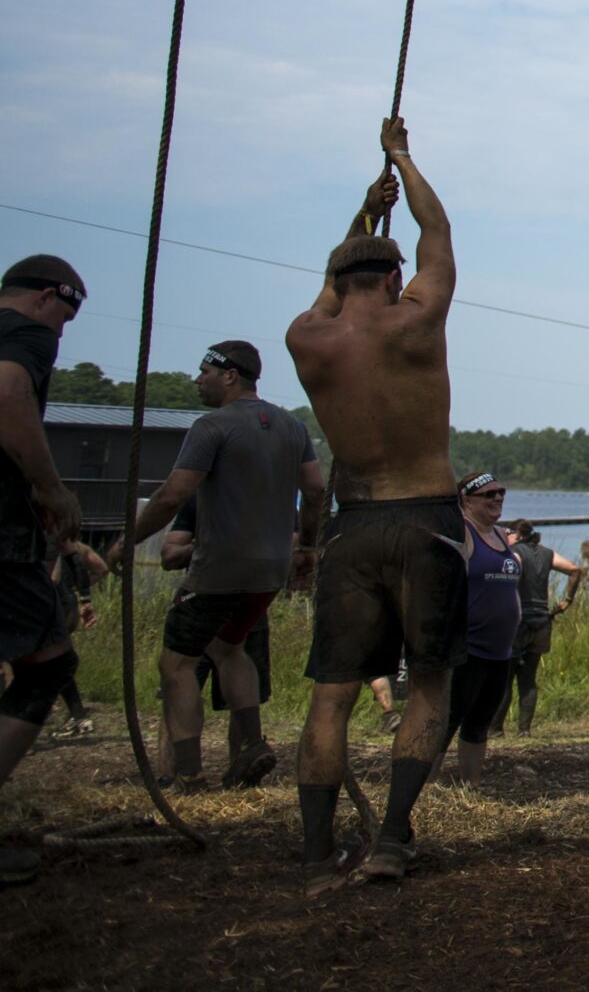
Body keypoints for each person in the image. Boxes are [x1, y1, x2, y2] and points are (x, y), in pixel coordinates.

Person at [285, 120, 465, 891]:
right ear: (393, 279)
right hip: (426, 516)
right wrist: (402, 158)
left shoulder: (306, 339)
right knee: (428, 681)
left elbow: (334, 288)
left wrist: (360, 217)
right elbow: (436, 227)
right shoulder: (418, 317)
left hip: (352, 523)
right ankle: (392, 837)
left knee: (332, 695)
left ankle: (317, 851)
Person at [106, 340, 323, 793]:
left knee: (176, 666)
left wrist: (129, 542)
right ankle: (250, 745)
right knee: (229, 648)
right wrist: (307, 546)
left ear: (230, 375)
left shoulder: (212, 426)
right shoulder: (293, 426)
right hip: (269, 571)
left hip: (219, 568)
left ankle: (187, 774)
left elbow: (171, 495)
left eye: (204, 371)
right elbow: (317, 491)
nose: (197, 379)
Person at [0, 255, 89, 886]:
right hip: (2, 538)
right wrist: (50, 487)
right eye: (68, 313)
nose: (64, 331)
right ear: (45, 298)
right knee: (49, 666)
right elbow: (7, 392)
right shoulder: (26, 335)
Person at [160, 498, 277, 760]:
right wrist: (205, 546)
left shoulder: (275, 500)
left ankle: (243, 764)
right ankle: (174, 773)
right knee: (177, 678)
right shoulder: (199, 502)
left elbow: (293, 546)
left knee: (243, 691)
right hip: (202, 599)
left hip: (249, 604)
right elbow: (169, 556)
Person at [436, 473, 521, 785]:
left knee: (479, 723)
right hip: (467, 649)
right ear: (466, 500)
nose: (497, 498)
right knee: (447, 722)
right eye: (488, 495)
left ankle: (470, 788)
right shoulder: (462, 534)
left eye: (500, 492)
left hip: (501, 651)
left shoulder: (501, 537)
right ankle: (424, 788)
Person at [498, 519, 582, 735]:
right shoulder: (547, 553)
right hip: (542, 620)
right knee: (528, 678)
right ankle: (524, 730)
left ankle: (495, 729)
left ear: (517, 535)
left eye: (508, 532)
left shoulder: (513, 553)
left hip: (517, 622)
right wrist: (567, 600)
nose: (504, 535)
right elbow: (574, 570)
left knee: (505, 678)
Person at [48, 539, 105, 737]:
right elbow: (100, 568)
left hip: (51, 603)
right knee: (53, 660)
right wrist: (84, 596)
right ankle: (77, 714)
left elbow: (53, 578)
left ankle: (18, 726)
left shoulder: (43, 530)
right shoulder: (74, 544)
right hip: (65, 601)